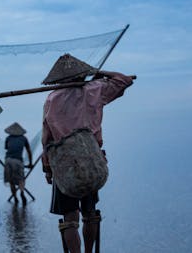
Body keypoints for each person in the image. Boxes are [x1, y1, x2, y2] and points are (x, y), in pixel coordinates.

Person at [41, 53, 133, 253]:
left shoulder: (51, 99)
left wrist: (47, 169)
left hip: (65, 163)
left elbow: (47, 140)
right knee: (90, 213)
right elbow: (124, 80)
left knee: (70, 218)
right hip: (91, 159)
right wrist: (98, 73)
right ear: (84, 75)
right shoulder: (95, 90)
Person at [4, 122, 33, 205]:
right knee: (21, 179)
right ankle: (22, 193)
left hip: (8, 161)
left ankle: (15, 197)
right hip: (18, 161)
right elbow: (29, 152)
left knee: (11, 181)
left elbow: (7, 149)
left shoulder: (8, 138)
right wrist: (30, 163)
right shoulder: (24, 138)